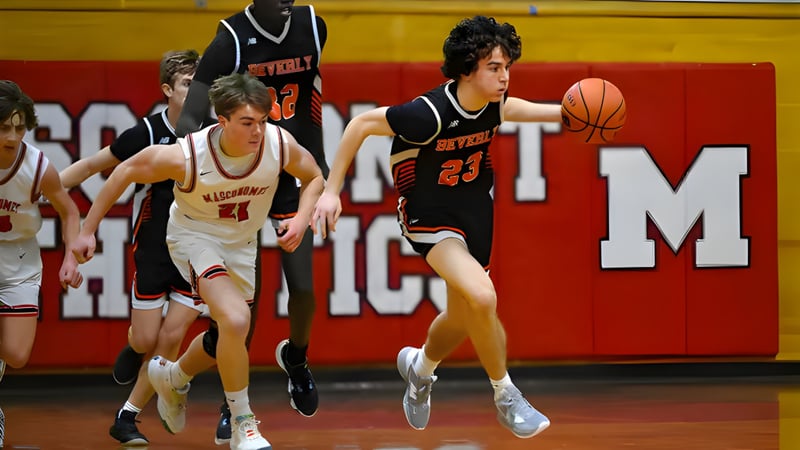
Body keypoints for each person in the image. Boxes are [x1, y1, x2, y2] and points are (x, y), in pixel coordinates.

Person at [312, 16, 558, 439]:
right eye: (494, 67)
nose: (504, 76)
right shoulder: (428, 115)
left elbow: (516, 109)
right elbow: (361, 124)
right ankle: (506, 395)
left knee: (463, 317)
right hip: (427, 215)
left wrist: (568, 114)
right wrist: (332, 191)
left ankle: (420, 368)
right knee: (484, 296)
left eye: (507, 67)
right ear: (467, 69)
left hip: (474, 214)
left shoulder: (494, 104)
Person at [73, 72, 324, 450]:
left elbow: (314, 176)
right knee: (236, 320)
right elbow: (125, 170)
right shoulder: (188, 154)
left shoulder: (278, 143)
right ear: (222, 121)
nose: (257, 131)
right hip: (194, 238)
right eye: (247, 123)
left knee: (224, 335)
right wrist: (87, 230)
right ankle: (243, 423)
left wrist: (302, 219)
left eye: (262, 121)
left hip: (241, 244)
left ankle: (173, 377)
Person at [176, 1, 327, 439]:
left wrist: (321, 170)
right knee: (246, 303)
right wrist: (204, 166)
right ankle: (232, 403)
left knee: (303, 289)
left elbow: (312, 104)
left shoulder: (313, 26)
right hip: (242, 175)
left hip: (288, 166)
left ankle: (295, 356)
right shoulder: (230, 40)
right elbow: (190, 117)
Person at [59, 49, 210, 446]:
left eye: (200, 83)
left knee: (170, 339)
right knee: (146, 339)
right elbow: (92, 167)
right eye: (187, 83)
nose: (196, 90)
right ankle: (132, 345)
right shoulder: (146, 133)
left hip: (196, 251)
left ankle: (126, 416)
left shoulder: (214, 133)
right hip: (153, 249)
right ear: (167, 90)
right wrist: (41, 186)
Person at [0, 80, 84, 447]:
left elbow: (70, 211)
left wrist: (70, 258)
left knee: (17, 355)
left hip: (20, 259)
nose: (13, 136)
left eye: (19, 127)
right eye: (4, 127)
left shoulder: (36, 166)